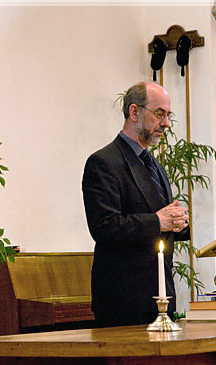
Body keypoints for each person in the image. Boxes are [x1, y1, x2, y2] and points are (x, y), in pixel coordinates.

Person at [82, 82, 190, 327]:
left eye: (168, 115)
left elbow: (161, 219)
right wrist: (158, 221)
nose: (166, 124)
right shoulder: (104, 162)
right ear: (134, 112)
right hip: (125, 300)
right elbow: (104, 225)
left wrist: (178, 222)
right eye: (160, 114)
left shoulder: (155, 165)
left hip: (160, 295)